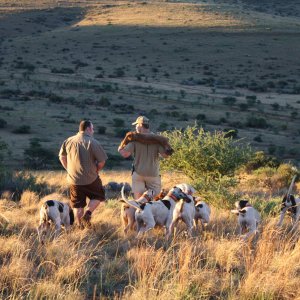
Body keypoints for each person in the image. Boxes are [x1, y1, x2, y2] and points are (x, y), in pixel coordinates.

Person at [59, 120, 107, 228]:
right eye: (92, 129)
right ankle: (88, 213)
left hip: (74, 179)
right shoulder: (93, 142)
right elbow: (102, 161)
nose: (93, 131)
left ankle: (80, 226)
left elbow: (62, 157)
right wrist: (96, 170)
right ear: (88, 129)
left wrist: (68, 169)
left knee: (77, 204)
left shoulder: (68, 141)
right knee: (98, 195)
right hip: (91, 178)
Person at [118, 116, 168, 199]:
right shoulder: (157, 139)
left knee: (138, 201)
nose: (135, 127)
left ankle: (138, 211)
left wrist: (120, 148)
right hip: (153, 174)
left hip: (138, 174)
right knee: (154, 200)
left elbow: (125, 154)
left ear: (140, 125)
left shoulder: (135, 139)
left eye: (136, 125)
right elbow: (165, 155)